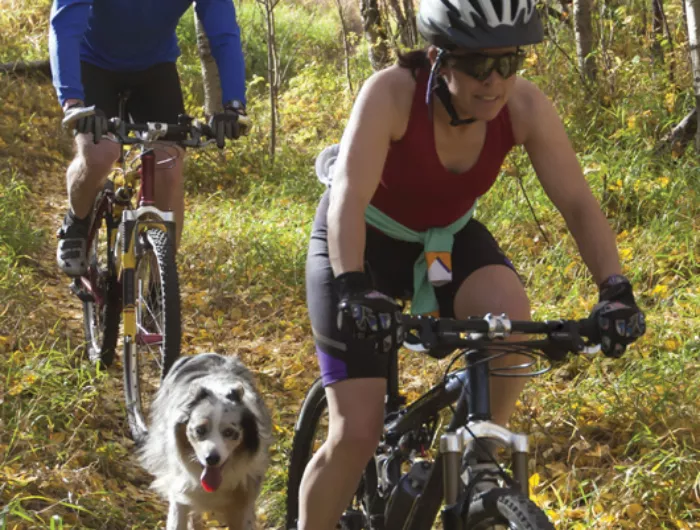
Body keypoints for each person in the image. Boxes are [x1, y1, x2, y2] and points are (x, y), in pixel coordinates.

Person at [300, 0, 646, 527]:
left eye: (508, 63)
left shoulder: (525, 107)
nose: (495, 81)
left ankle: (476, 462)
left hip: (443, 241)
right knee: (357, 432)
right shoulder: (391, 95)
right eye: (478, 66)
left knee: (509, 319)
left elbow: (577, 202)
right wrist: (351, 285)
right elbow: (348, 198)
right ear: (439, 57)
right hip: (359, 243)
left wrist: (615, 289)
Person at [50, 0, 250, 276]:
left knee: (169, 166)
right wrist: (72, 100)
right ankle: (77, 220)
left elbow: (223, 32)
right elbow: (65, 24)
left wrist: (234, 104)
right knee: (100, 154)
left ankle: (158, 286)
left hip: (155, 69)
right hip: (92, 62)